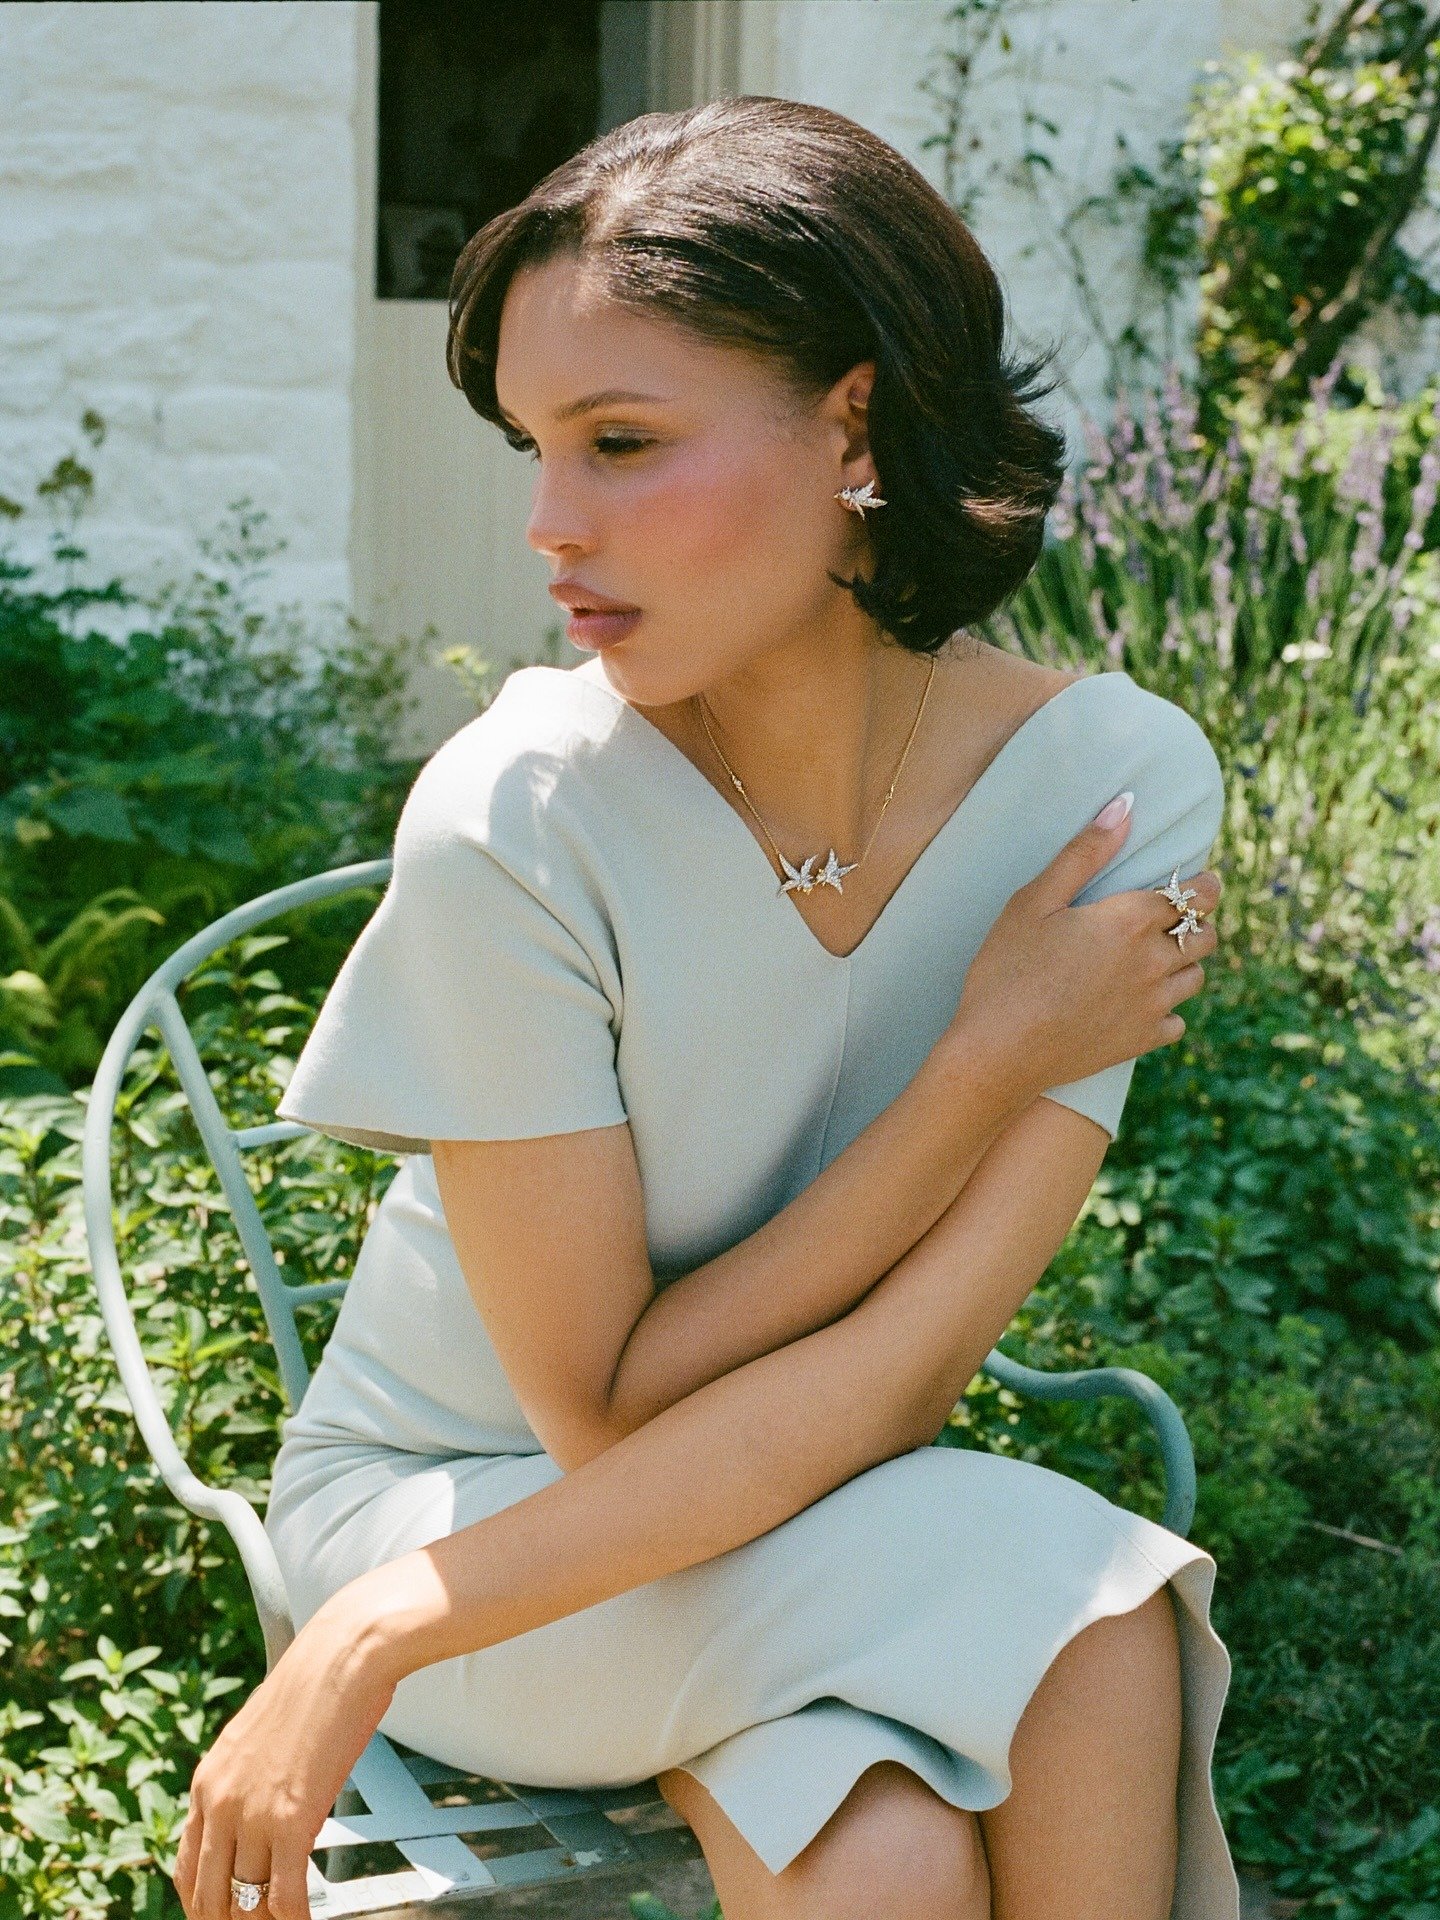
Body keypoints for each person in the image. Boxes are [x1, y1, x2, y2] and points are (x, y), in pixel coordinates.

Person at [174, 96, 1239, 1920]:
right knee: (1095, 1611)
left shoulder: (1116, 799)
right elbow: (600, 1413)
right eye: (533, 448)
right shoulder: (520, 813)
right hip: (462, 1519)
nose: (547, 524)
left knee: (887, 1854)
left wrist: (997, 1049)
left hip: (821, 1493)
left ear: (857, 421)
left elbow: (904, 1379)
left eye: (620, 442)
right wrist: (370, 1622)